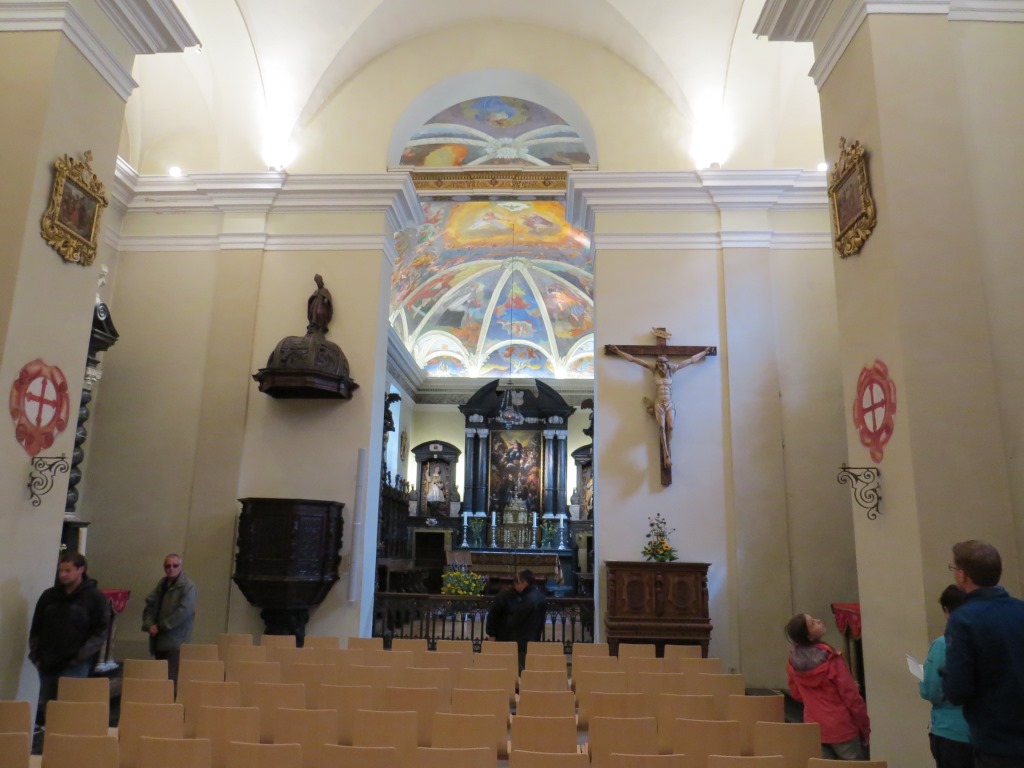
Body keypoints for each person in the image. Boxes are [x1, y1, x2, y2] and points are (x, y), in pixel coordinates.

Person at [943, 540, 1024, 767]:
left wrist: (946, 674)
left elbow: (958, 690)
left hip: (996, 742)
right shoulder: (1020, 610)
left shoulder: (963, 620)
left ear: (963, 575)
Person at [28, 551, 110, 729]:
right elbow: (36, 627)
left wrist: (81, 656)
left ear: (81, 570)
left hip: (76, 662)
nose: (63, 575)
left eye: (67, 570)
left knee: (69, 709)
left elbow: (101, 630)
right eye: (61, 570)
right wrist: (35, 654)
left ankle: (69, 741)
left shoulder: (94, 597)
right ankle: (52, 740)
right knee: (51, 709)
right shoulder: (49, 596)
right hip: (47, 661)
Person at [606, 344, 710, 468]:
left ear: (667, 365)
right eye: (659, 365)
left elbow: (691, 360)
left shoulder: (672, 369)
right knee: (661, 427)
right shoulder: (653, 369)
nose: (660, 368)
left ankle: (668, 449)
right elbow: (633, 359)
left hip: (669, 403)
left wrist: (704, 352)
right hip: (659, 403)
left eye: (662, 365)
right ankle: (666, 454)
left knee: (670, 427)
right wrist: (618, 351)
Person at [785, 612, 870, 760]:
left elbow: (797, 694)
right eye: (813, 623)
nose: (819, 620)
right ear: (808, 636)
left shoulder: (793, 662)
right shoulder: (832, 659)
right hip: (841, 727)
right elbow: (851, 697)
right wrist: (864, 726)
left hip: (814, 727)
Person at [920, 585, 973, 768]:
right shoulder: (984, 638)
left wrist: (923, 682)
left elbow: (932, 691)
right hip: (984, 732)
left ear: (946, 610)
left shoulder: (943, 644)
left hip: (950, 731)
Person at [141, 553, 197, 686]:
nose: (171, 569)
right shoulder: (162, 584)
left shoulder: (188, 586)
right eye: (168, 566)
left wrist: (160, 626)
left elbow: (183, 612)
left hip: (175, 641)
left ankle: (172, 700)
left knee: (171, 680)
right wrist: (149, 624)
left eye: (175, 565)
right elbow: (150, 604)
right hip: (158, 639)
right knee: (161, 678)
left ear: (180, 566)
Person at [485, 569, 547, 671]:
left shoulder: (528, 599)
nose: (515, 584)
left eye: (517, 582)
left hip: (514, 641)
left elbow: (514, 620)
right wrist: (492, 633)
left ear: (524, 583)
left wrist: (495, 633)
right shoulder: (538, 596)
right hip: (528, 640)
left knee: (511, 669)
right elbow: (494, 615)